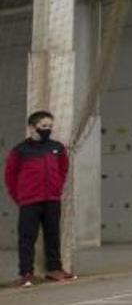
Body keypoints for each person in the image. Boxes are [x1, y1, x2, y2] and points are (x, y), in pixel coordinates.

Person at [4, 111, 75, 288]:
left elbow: (63, 169)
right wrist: (20, 197)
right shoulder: (20, 150)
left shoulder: (57, 148)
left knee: (53, 235)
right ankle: (26, 274)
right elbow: (10, 176)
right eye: (44, 126)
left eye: (50, 126)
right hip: (29, 201)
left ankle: (54, 269)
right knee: (27, 238)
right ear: (32, 127)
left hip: (52, 199)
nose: (48, 129)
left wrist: (57, 188)